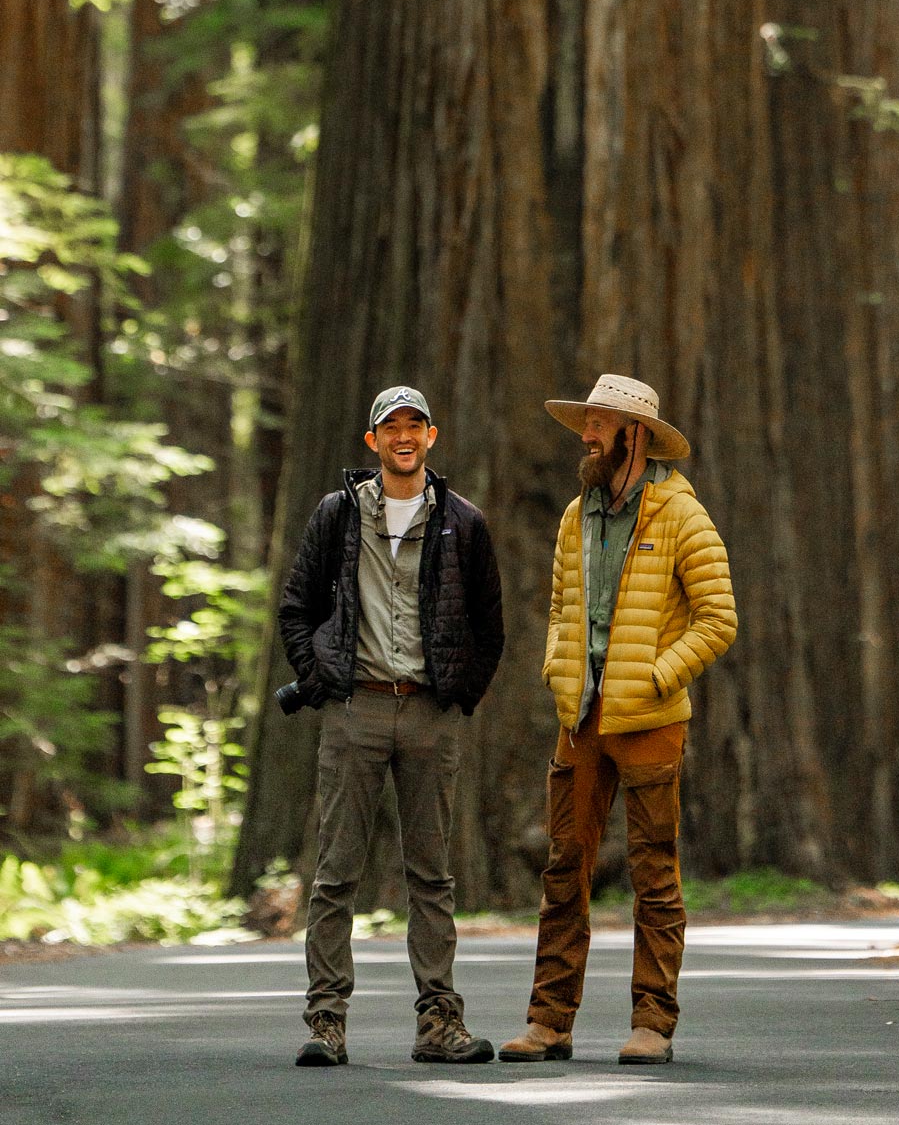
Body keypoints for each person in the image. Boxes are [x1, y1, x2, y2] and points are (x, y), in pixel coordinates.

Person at [499, 374, 737, 1066]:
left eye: (599, 423)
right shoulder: (576, 516)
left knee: (653, 873)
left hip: (652, 721)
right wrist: (558, 667)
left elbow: (718, 619)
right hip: (580, 720)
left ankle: (653, 1024)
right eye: (587, 421)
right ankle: (549, 1022)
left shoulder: (682, 515)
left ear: (635, 434)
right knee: (563, 869)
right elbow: (559, 608)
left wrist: (656, 676)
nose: (587, 434)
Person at [278, 384, 504, 1067]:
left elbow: (489, 625)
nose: (404, 436)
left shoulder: (462, 521)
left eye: (415, 425)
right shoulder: (338, 514)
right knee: (335, 874)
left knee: (432, 877)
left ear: (431, 436)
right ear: (372, 441)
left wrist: (458, 695)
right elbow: (297, 607)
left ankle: (439, 1024)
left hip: (431, 713)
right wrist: (321, 678)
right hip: (357, 709)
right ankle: (326, 1023)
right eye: (391, 427)